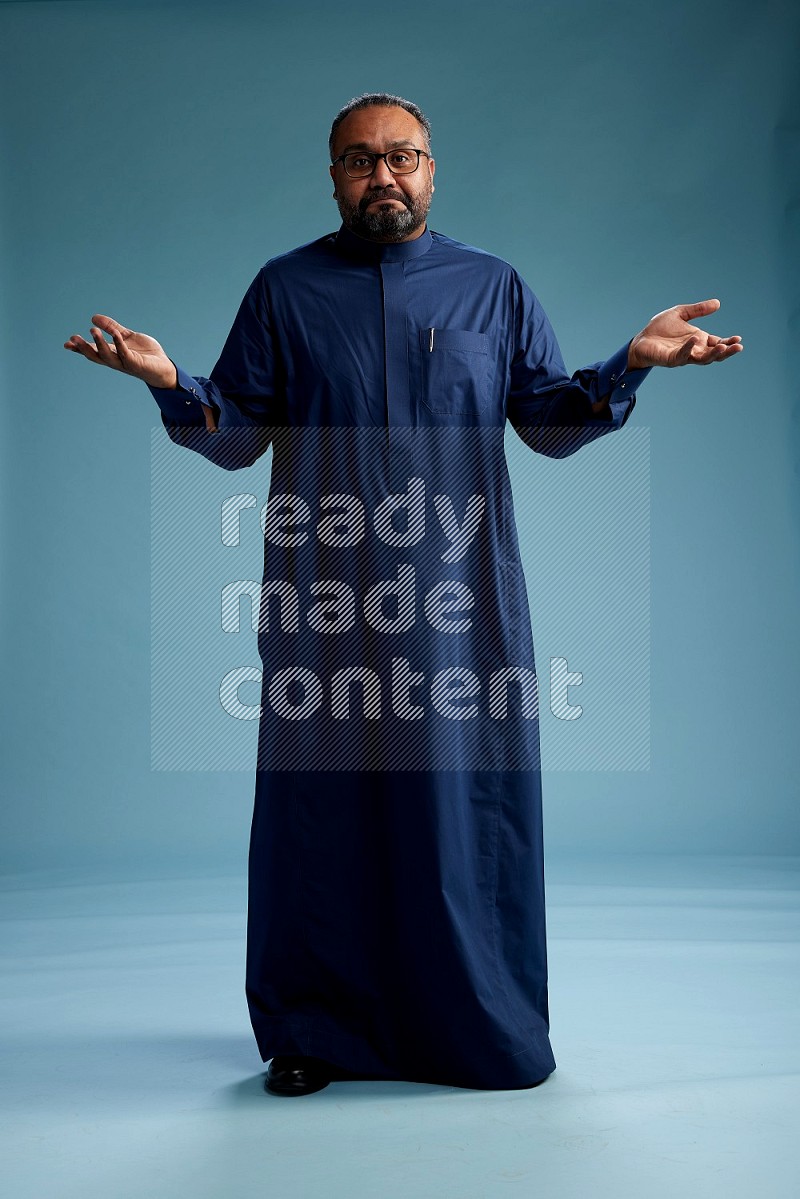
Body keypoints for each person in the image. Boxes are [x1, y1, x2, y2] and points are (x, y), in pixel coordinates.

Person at [64, 92, 743, 1098]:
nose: (381, 175)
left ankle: (479, 1025)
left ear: (432, 170)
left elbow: (549, 420)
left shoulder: (490, 288)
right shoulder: (285, 290)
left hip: (460, 606)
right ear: (332, 176)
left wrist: (627, 364)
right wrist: (171, 382)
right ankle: (311, 1029)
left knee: (464, 810)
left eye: (401, 157)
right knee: (319, 813)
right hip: (324, 604)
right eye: (357, 160)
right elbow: (236, 430)